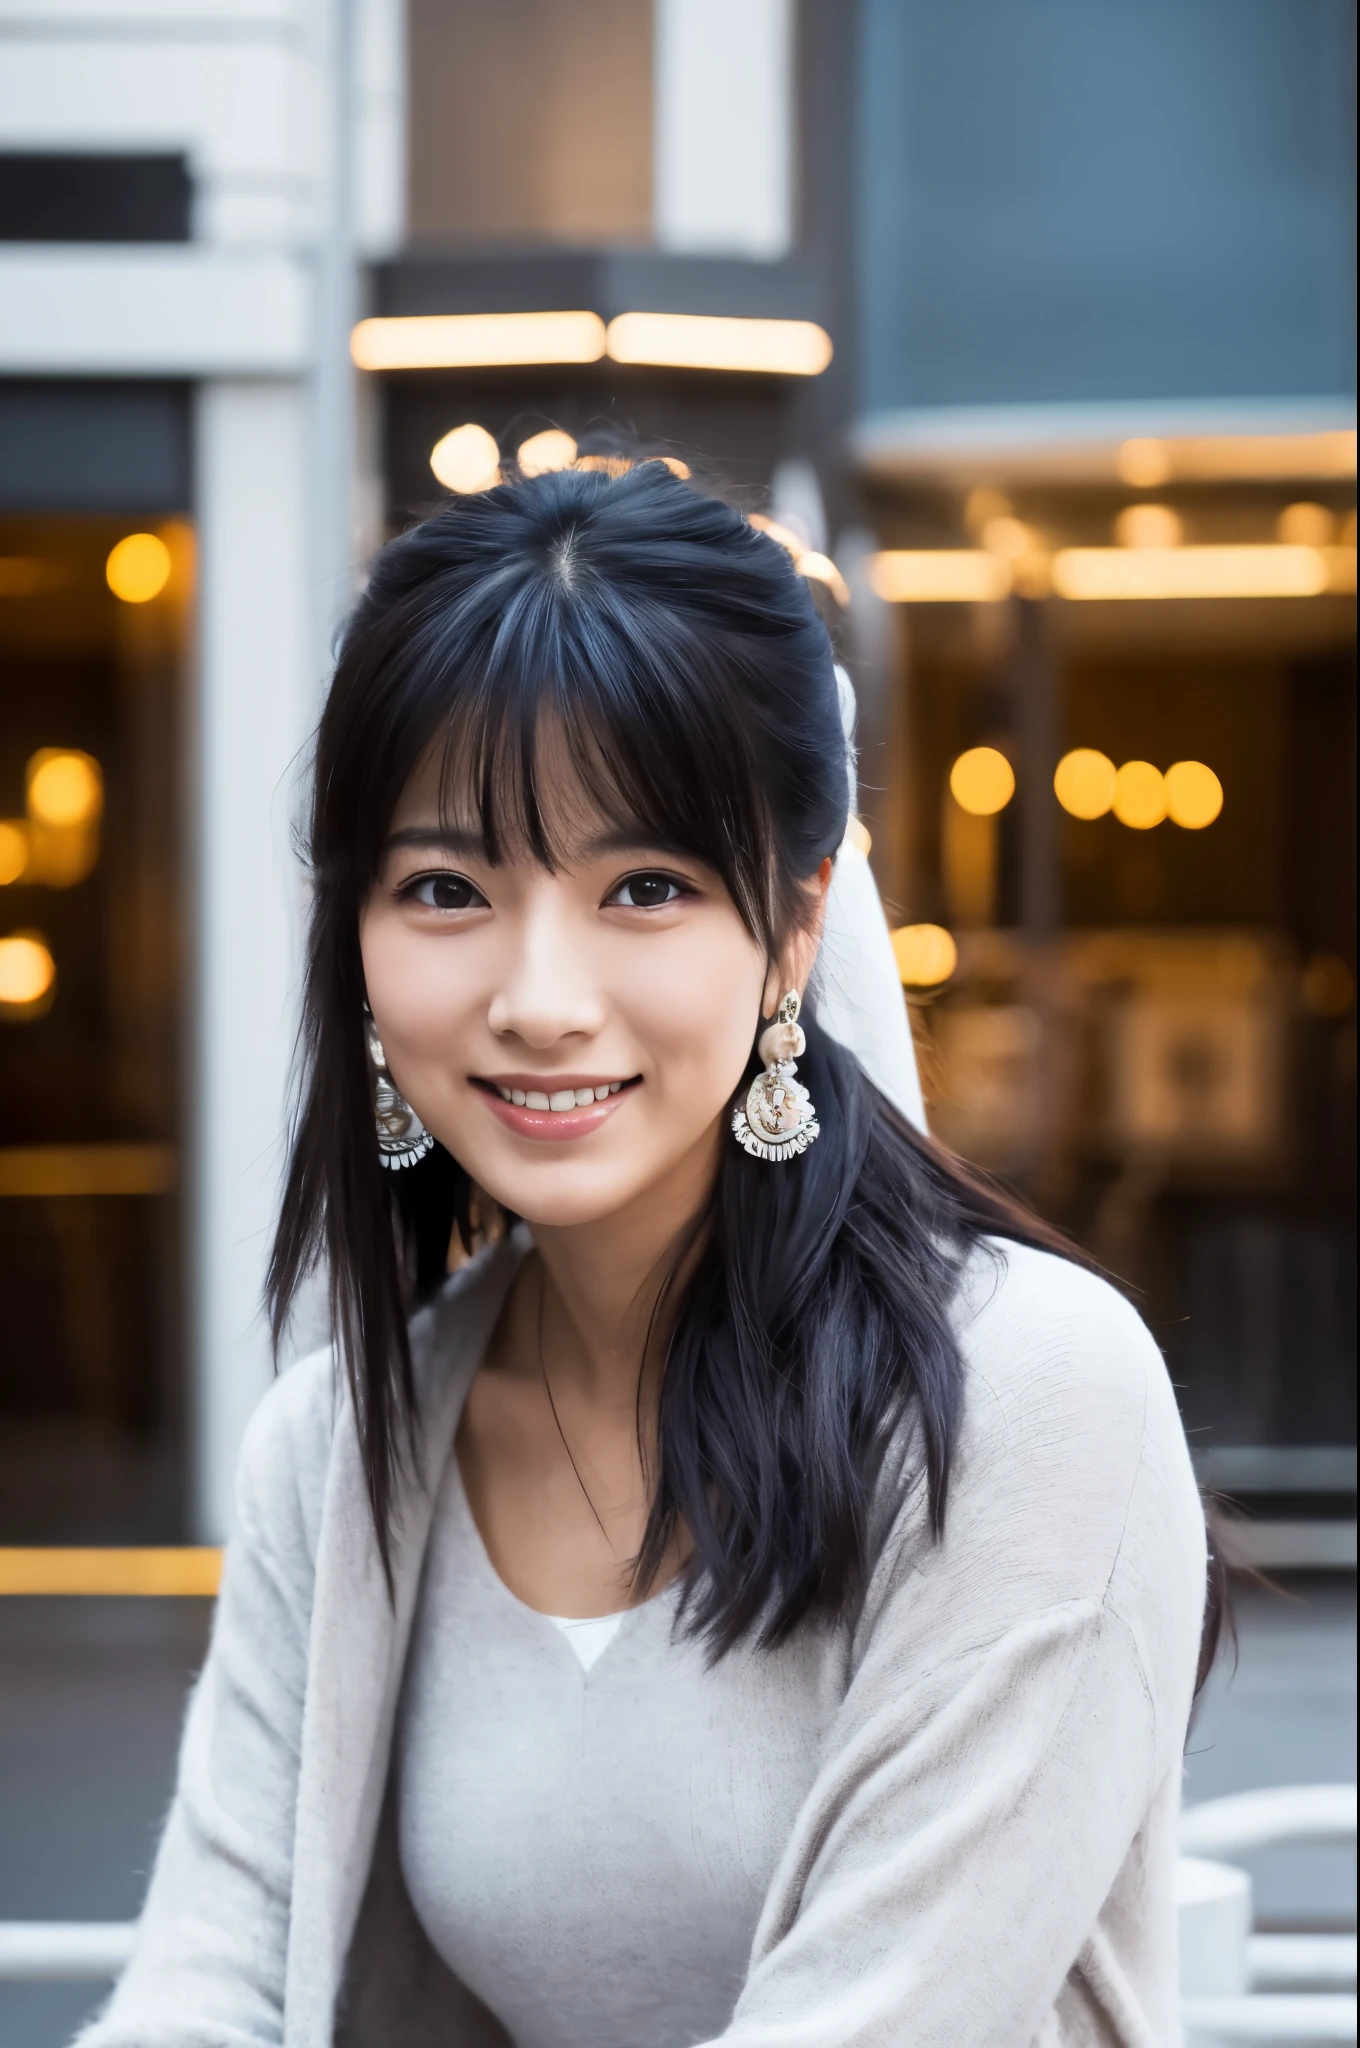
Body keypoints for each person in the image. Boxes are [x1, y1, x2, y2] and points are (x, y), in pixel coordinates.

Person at [77, 460, 1212, 2048]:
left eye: (649, 888)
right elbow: (211, 1986)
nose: (541, 995)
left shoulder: (1027, 1396)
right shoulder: (331, 1456)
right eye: (447, 888)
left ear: (797, 925)